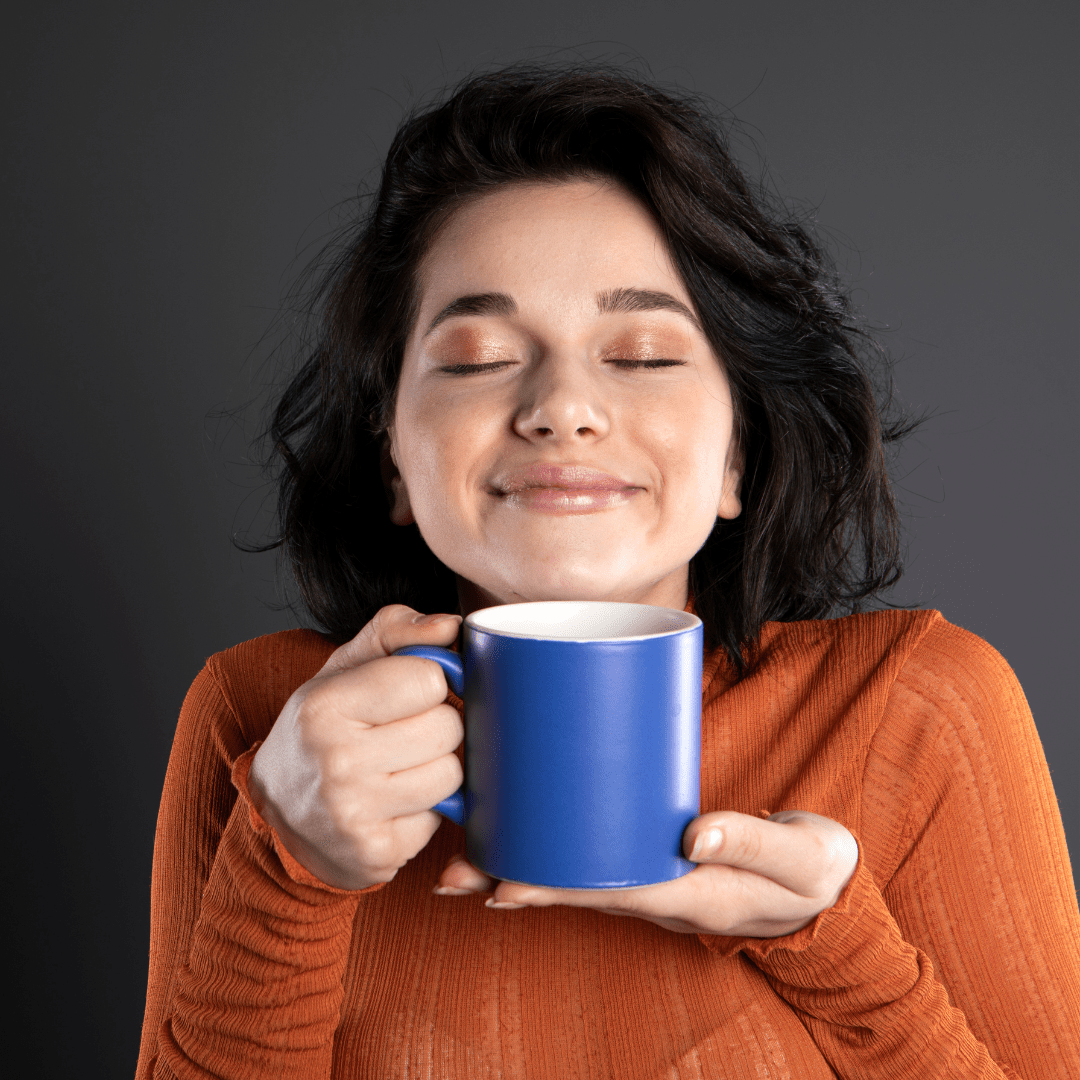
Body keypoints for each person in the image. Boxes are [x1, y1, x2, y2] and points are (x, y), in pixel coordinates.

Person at [135, 67, 1080, 1079]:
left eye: (640, 354)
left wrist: (833, 940)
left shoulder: (915, 711)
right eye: (478, 357)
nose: (564, 407)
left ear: (736, 459)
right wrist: (285, 868)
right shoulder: (262, 717)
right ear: (393, 460)